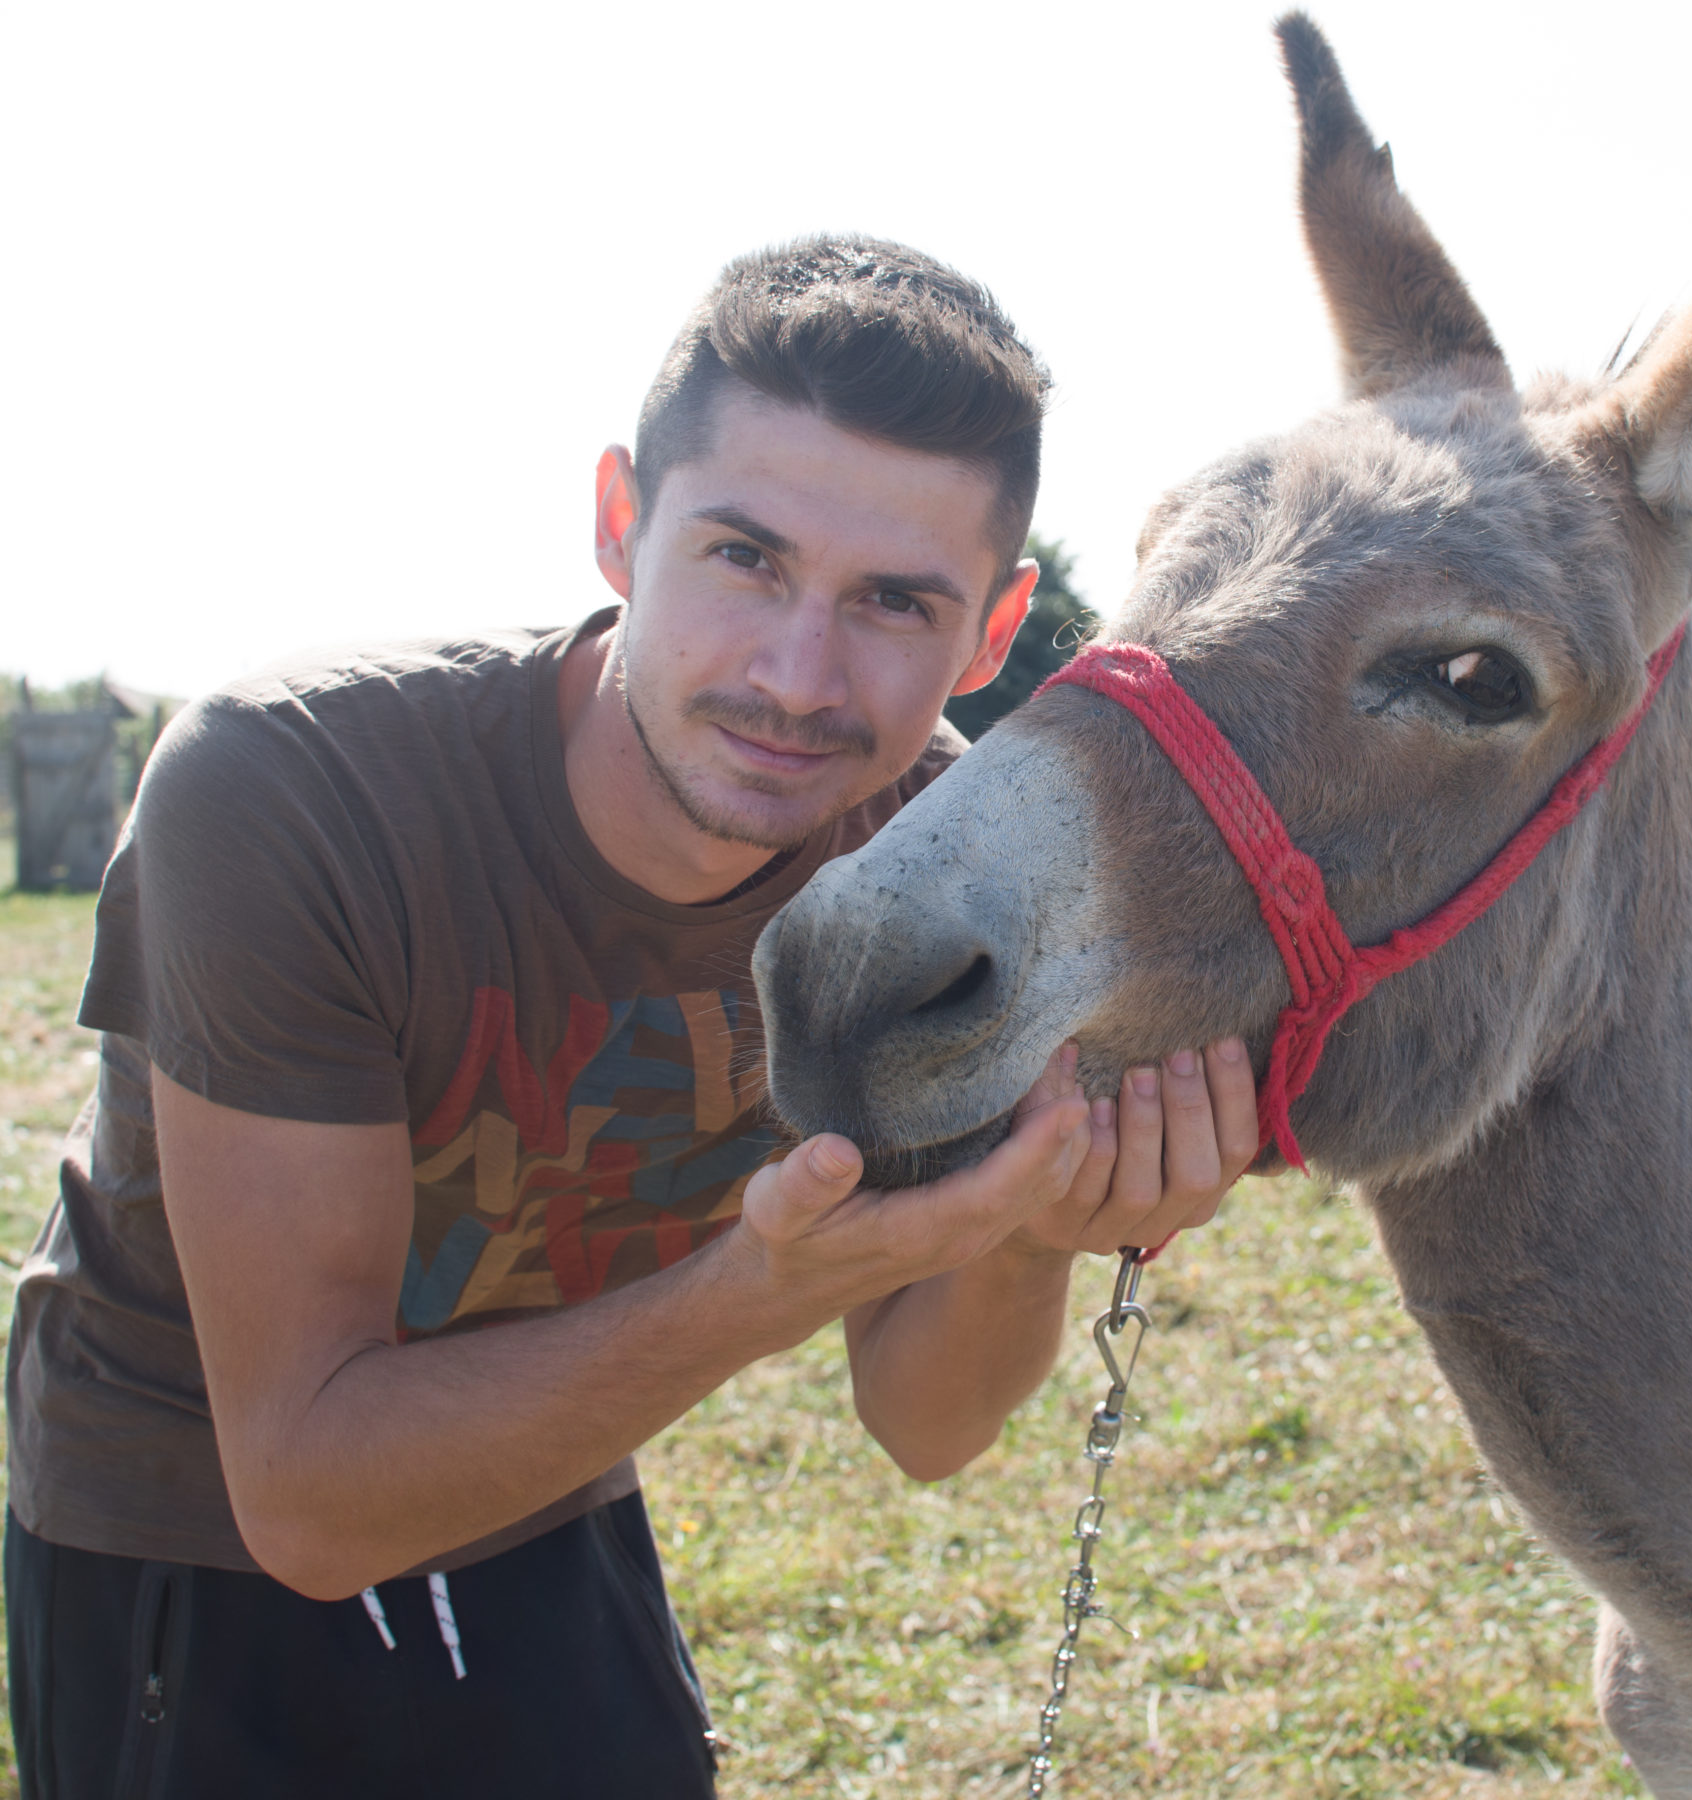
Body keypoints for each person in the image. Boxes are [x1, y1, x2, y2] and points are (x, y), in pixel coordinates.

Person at [3, 235, 1261, 1797]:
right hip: (189, 1537)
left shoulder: (934, 870)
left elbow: (929, 1424)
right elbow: (310, 1501)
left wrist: (1023, 1220)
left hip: (555, 1487)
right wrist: (760, 1289)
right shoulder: (290, 793)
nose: (799, 676)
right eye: (745, 557)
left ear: (992, 636)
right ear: (620, 524)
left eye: (892, 601)